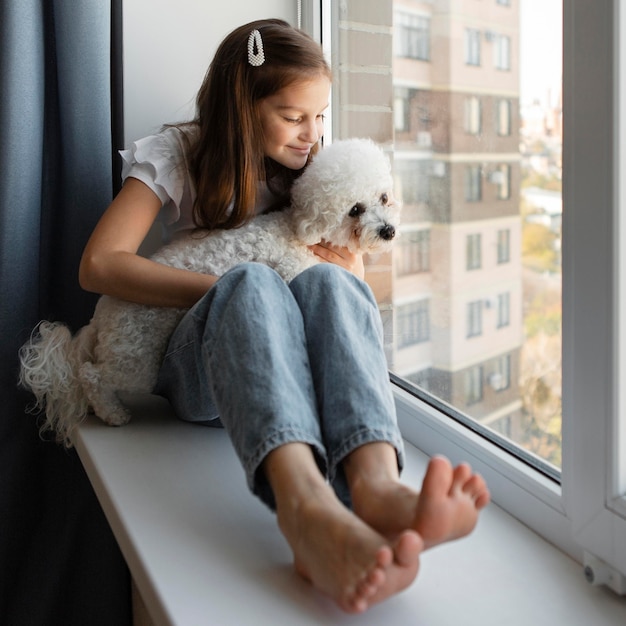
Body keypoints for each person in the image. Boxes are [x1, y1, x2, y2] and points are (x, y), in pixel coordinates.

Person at [79, 18, 490, 614]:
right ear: (243, 105)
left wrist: (346, 270)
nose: (312, 135)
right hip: (205, 372)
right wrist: (216, 286)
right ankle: (304, 513)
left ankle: (374, 485)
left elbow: (340, 292)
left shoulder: (316, 172)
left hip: (284, 387)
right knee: (251, 282)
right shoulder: (177, 153)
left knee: (330, 281)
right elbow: (98, 264)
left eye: (320, 117)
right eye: (294, 117)